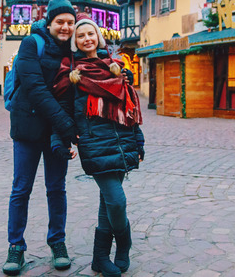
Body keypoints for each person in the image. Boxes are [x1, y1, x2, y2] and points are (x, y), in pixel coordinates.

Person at [52, 14, 145, 277]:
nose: (86, 39)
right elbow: (63, 111)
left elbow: (129, 108)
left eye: (90, 34)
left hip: (123, 141)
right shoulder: (72, 75)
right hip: (94, 144)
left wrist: (138, 140)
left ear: (98, 37)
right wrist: (60, 141)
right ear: (75, 42)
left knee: (108, 202)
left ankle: (100, 257)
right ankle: (124, 243)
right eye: (80, 36)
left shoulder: (115, 67)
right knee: (117, 201)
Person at [3, 0, 77, 275]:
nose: (66, 27)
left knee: (56, 189)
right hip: (28, 128)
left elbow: (94, 71)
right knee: (21, 189)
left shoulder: (74, 49)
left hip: (58, 132)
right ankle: (16, 248)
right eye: (60, 21)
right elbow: (35, 88)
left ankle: (58, 242)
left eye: (70, 22)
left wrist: (121, 74)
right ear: (50, 22)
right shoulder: (31, 43)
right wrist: (67, 126)